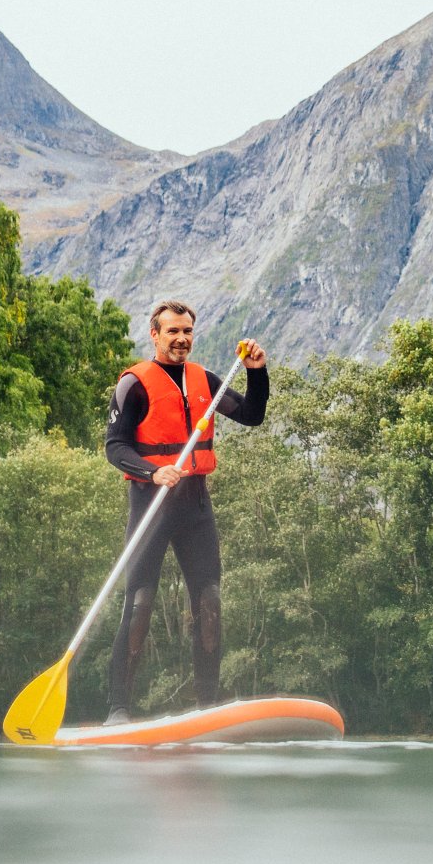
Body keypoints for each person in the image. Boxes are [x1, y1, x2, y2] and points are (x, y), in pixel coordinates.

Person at [102, 301, 269, 724]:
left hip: (195, 504)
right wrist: (153, 471)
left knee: (209, 600)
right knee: (139, 604)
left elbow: (252, 415)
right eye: (172, 331)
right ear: (155, 335)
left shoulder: (206, 381)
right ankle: (118, 708)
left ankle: (207, 706)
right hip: (151, 504)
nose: (181, 339)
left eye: (187, 332)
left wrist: (256, 371)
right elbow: (115, 447)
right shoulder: (133, 384)